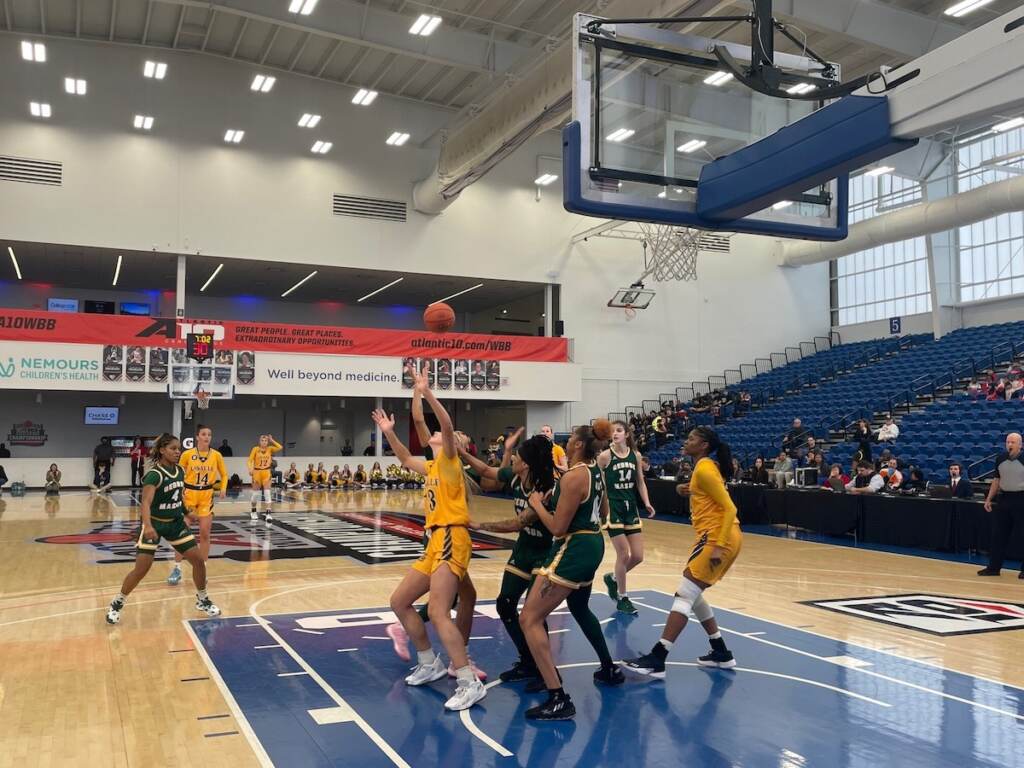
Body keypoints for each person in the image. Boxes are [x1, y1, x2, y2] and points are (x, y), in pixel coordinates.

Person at [371, 366, 486, 711]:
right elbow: (406, 457)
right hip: (435, 540)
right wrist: (391, 430)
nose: (435, 434)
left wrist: (427, 390)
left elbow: (446, 426)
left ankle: (466, 680)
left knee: (437, 612)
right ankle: (428, 662)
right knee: (399, 601)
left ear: (457, 446)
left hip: (452, 537)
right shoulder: (433, 467)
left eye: (448, 436)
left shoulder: (450, 460)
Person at [518, 420, 625, 721]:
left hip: (574, 547)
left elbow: (557, 527)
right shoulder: (596, 472)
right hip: (594, 542)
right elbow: (604, 512)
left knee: (529, 617)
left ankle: (557, 696)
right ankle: (608, 668)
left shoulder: (573, 478)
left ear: (578, 444)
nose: (564, 443)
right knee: (579, 606)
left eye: (569, 440)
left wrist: (537, 504)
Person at [622, 426, 740, 680]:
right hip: (714, 536)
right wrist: (687, 489)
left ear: (704, 445)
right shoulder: (704, 468)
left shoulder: (706, 468)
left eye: (692, 439)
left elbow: (730, 509)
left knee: (685, 594)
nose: (686, 442)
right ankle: (721, 651)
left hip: (719, 537)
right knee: (693, 594)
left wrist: (719, 545)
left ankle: (657, 658)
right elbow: (707, 491)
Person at [462, 432, 553, 687]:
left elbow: (516, 523)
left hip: (547, 552)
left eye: (516, 456)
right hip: (525, 548)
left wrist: (479, 524)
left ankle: (545, 669)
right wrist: (462, 452)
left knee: (534, 614)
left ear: (526, 464)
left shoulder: (545, 489)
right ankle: (528, 661)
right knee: (505, 604)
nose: (512, 458)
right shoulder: (515, 476)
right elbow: (484, 470)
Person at [106, 433, 220, 625]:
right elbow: (145, 503)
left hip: (175, 523)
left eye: (179, 449)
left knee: (198, 561)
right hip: (155, 524)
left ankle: (202, 599)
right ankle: (117, 602)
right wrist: (148, 525)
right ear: (162, 450)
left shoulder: (181, 472)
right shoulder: (154, 474)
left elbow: (178, 497)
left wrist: (187, 512)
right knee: (141, 569)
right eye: (173, 449)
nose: (178, 452)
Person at [599, 420, 656, 615]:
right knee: (623, 554)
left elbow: (640, 482)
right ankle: (623, 598)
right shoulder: (605, 457)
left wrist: (647, 502)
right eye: (612, 431)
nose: (615, 434)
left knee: (638, 556)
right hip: (613, 509)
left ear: (627, 434)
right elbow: (600, 486)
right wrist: (601, 509)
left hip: (631, 508)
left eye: (619, 430)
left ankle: (613, 579)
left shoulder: (636, 456)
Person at [168, 424, 227, 586]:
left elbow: (224, 474)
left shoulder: (216, 455)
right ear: (197, 437)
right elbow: (178, 473)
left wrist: (223, 487)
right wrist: (178, 489)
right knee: (181, 533)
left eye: (209, 434)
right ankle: (177, 568)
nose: (207, 437)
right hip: (189, 496)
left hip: (206, 496)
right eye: (203, 434)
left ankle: (203, 569)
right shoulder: (187, 454)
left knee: (205, 533)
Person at [977, 432, 1024, 578]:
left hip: (1021, 498)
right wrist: (989, 499)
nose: (1010, 444)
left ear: (1020, 444)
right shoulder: (1000, 459)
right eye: (1008, 442)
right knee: (998, 535)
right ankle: (993, 567)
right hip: (1004, 498)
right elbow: (996, 480)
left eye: (1013, 442)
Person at [248, 434, 281, 524]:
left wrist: (272, 440)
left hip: (266, 472)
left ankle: (268, 513)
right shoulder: (255, 449)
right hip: (257, 473)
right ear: (259, 442)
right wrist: (250, 468)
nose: (264, 442)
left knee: (267, 493)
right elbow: (249, 460)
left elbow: (280, 447)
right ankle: (253, 511)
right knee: (255, 495)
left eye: (266, 441)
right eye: (262, 440)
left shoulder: (270, 449)